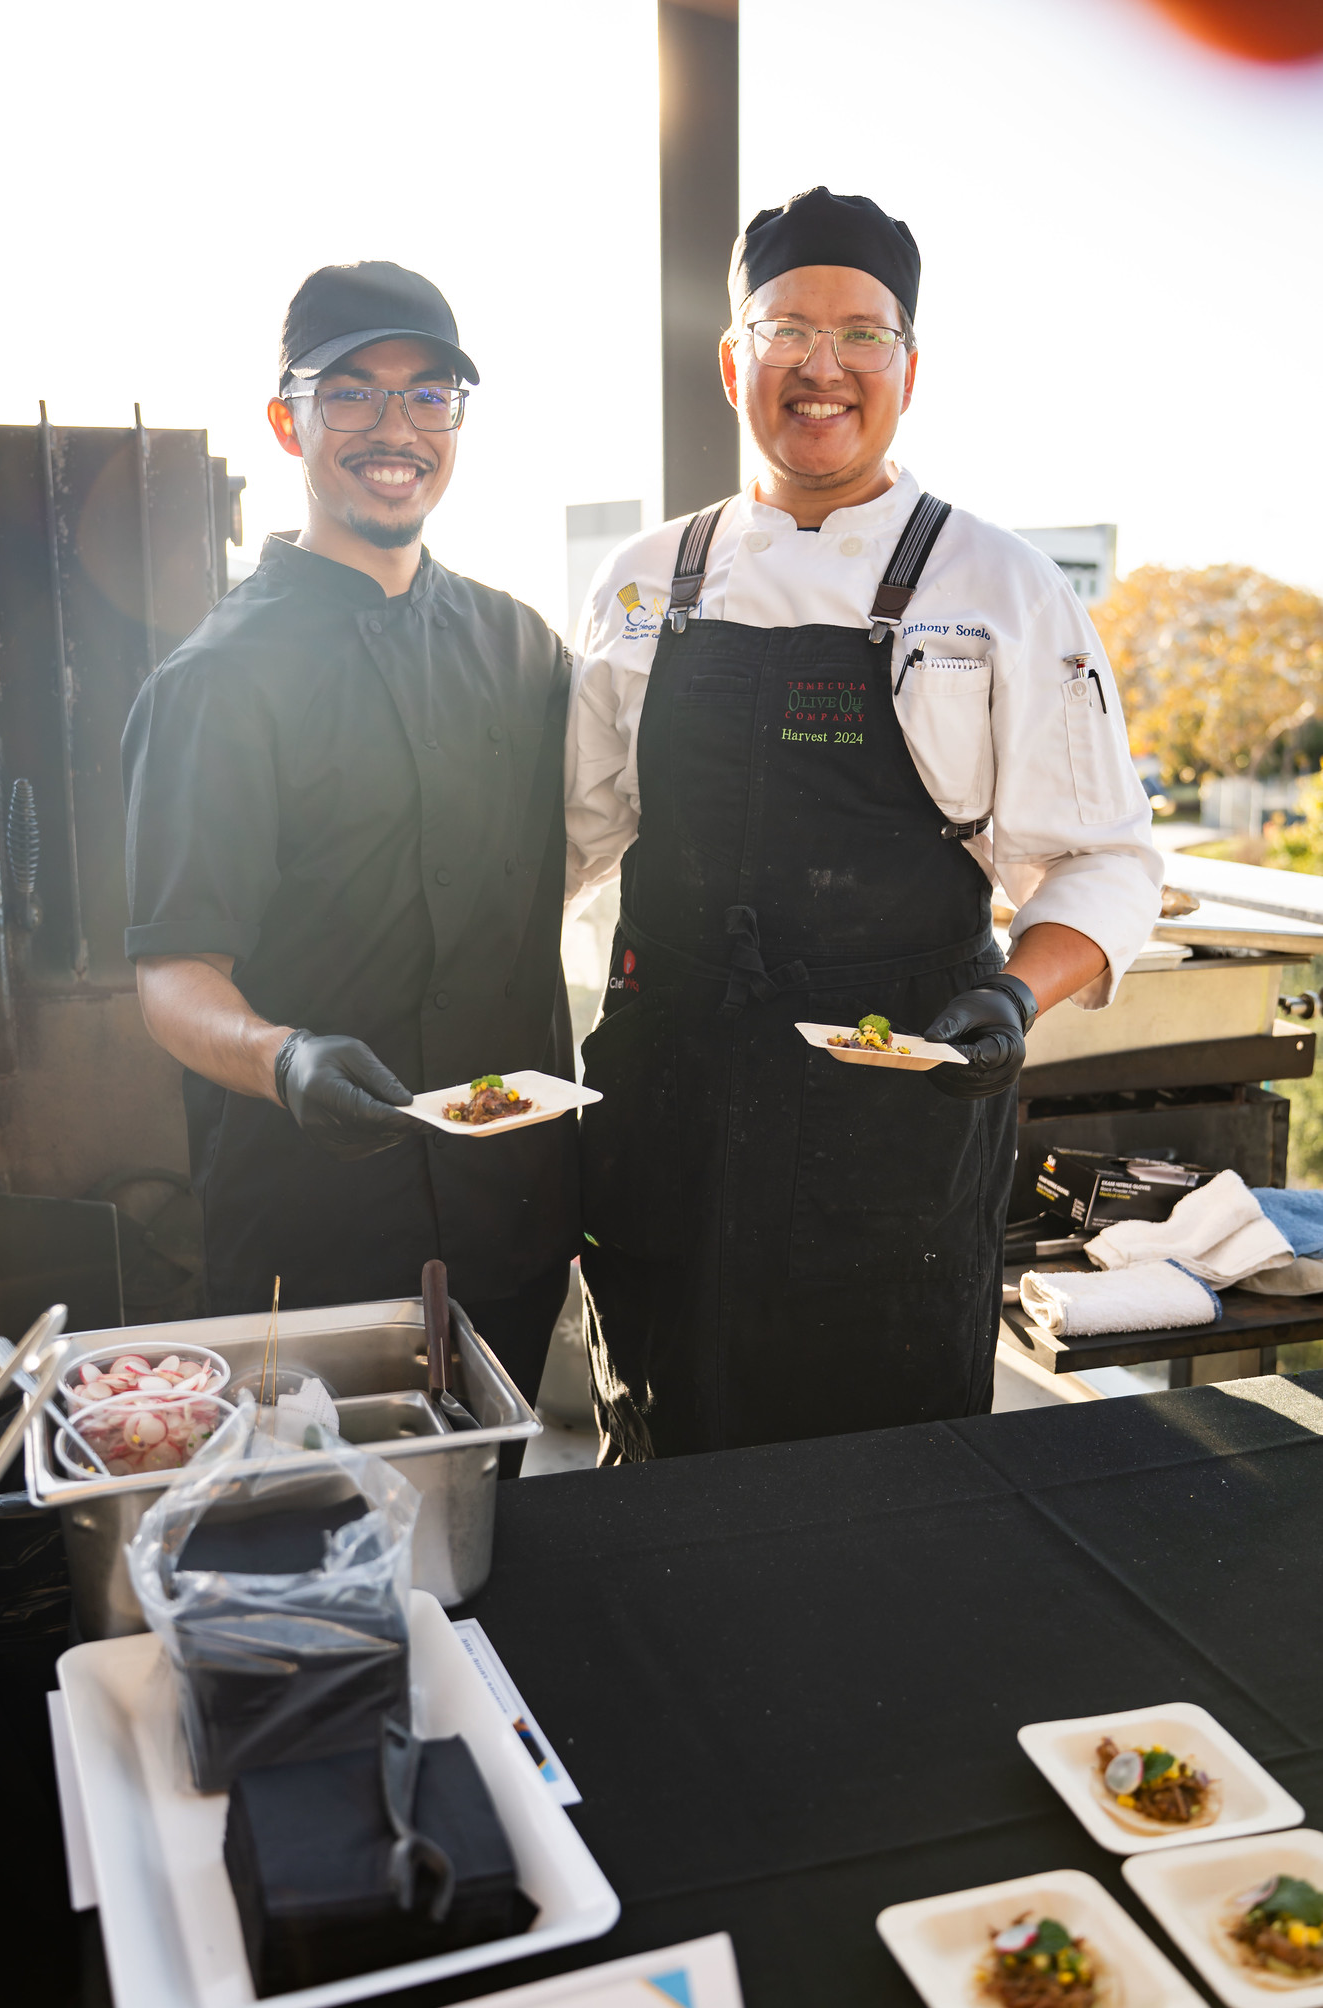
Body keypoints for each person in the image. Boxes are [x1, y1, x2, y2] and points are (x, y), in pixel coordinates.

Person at [565, 188, 1161, 1462]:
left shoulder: (997, 583)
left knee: (884, 1484)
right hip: (667, 1110)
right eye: (787, 328)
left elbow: (1106, 860)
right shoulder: (639, 579)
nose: (821, 366)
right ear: (735, 361)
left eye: (862, 335)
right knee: (656, 1461)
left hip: (884, 1127)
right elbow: (565, 844)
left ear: (907, 369)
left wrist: (1014, 996)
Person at [123, 261, 576, 1466]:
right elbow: (172, 973)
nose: (396, 429)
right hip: (312, 1230)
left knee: (500, 1542)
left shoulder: (525, 647)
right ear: (289, 420)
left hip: (509, 1221)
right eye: (353, 394)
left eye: (430, 395)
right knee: (326, 1571)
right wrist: (287, 1057)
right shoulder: (214, 683)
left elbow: (571, 867)